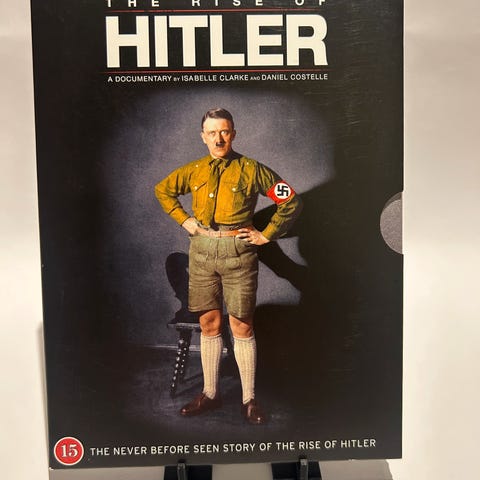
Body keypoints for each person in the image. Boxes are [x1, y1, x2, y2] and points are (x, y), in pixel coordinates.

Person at [155, 108, 302, 424]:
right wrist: (184, 220)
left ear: (233, 133)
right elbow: (163, 190)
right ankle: (210, 394)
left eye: (224, 131)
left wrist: (266, 235)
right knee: (209, 324)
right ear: (203, 137)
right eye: (212, 133)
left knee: (241, 326)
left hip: (239, 256)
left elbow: (290, 201)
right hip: (202, 254)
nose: (218, 138)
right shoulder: (194, 170)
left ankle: (249, 400)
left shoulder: (252, 169)